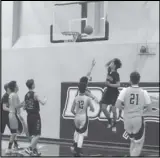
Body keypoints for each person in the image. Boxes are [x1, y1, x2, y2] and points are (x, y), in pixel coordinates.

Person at [115, 71, 151, 156]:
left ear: (130, 80)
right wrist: (141, 111)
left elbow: (117, 104)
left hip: (127, 120)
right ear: (139, 80)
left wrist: (126, 109)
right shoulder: (144, 92)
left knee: (132, 141)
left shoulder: (124, 91)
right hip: (137, 120)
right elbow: (149, 108)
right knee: (138, 144)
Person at [71, 82, 95, 156]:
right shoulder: (87, 98)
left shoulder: (76, 98)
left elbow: (72, 110)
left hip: (76, 116)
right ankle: (78, 150)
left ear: (78, 89)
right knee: (81, 134)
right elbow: (93, 109)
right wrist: (90, 108)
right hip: (83, 117)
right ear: (85, 90)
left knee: (77, 132)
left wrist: (76, 114)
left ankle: (74, 146)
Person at [24, 79, 47, 156]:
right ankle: (29, 148)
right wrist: (45, 99)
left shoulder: (26, 95)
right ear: (32, 85)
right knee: (37, 135)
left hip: (29, 116)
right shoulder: (35, 94)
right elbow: (43, 103)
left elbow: (24, 107)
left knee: (33, 135)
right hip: (35, 116)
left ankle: (35, 151)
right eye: (34, 83)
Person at [100, 58, 122, 132]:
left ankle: (114, 124)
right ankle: (109, 120)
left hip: (114, 93)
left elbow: (118, 84)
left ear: (115, 65)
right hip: (108, 92)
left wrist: (110, 84)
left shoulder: (116, 74)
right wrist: (113, 60)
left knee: (114, 110)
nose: (110, 64)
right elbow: (106, 64)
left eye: (112, 63)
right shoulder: (109, 70)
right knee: (103, 108)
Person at [6, 81, 24, 155]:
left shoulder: (11, 94)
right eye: (16, 85)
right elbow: (16, 106)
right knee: (15, 132)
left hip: (11, 114)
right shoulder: (15, 95)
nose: (17, 86)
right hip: (13, 114)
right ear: (14, 87)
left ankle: (14, 146)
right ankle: (9, 148)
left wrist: (22, 104)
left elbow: (13, 105)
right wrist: (23, 104)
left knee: (15, 132)